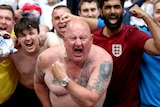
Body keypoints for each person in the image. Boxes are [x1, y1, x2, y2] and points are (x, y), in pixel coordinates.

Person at [34, 18, 113, 107]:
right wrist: (46, 105)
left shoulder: (102, 60)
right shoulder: (47, 58)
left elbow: (90, 101)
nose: (78, 43)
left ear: (91, 40)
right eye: (72, 38)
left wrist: (63, 78)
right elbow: (38, 82)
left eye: (83, 38)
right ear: (64, 40)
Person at [0, 17, 60, 107]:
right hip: (25, 92)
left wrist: (48, 35)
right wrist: (3, 46)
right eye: (23, 35)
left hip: (48, 90)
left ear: (38, 34)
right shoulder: (14, 51)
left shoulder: (47, 41)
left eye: (31, 33)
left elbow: (59, 50)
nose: (28, 38)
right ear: (17, 38)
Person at [130, 1, 160, 106]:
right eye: (158, 12)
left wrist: (145, 17)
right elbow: (111, 26)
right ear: (152, 15)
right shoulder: (141, 34)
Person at [0, 4, 19, 106]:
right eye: (0, 18)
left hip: (8, 100)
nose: (3, 22)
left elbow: (42, 28)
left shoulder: (18, 38)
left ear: (13, 22)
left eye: (7, 19)